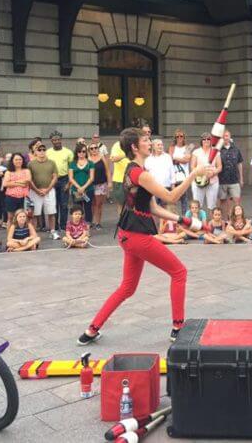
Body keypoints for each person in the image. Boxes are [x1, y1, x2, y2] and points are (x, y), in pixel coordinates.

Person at [77, 127, 211, 345]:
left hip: (128, 235)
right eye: (146, 140)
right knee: (179, 272)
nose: (150, 143)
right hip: (138, 237)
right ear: (134, 147)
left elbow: (153, 208)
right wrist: (194, 174)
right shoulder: (142, 174)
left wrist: (184, 221)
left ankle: (90, 331)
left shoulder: (135, 169)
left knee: (127, 287)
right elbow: (171, 196)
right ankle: (178, 327)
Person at [28, 143, 59, 238]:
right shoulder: (30, 164)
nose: (42, 152)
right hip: (34, 192)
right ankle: (34, 234)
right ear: (35, 152)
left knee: (51, 212)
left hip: (49, 191)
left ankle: (52, 231)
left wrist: (47, 189)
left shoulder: (52, 162)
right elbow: (29, 179)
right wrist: (37, 190)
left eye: (43, 150)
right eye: (39, 150)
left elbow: (55, 177)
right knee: (35, 214)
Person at [48, 131, 75, 234]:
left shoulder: (68, 152)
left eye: (58, 139)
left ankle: (63, 226)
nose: (57, 141)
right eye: (54, 140)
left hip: (64, 179)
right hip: (52, 180)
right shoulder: (48, 153)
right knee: (53, 204)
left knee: (64, 204)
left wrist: (69, 183)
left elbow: (71, 168)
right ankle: (54, 226)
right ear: (51, 141)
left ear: (61, 140)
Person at [191, 133, 222, 212]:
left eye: (208, 139)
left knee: (212, 206)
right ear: (201, 141)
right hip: (199, 181)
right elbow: (192, 167)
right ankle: (198, 223)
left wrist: (213, 173)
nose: (206, 141)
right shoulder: (196, 152)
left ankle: (211, 223)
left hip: (212, 181)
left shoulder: (215, 152)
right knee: (197, 205)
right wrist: (201, 174)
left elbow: (219, 167)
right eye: (204, 139)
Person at [218, 130, 243, 215]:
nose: (225, 138)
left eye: (227, 136)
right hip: (221, 180)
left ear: (229, 137)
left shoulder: (236, 149)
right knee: (223, 201)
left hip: (234, 179)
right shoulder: (218, 150)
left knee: (236, 200)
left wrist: (241, 178)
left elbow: (239, 163)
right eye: (223, 136)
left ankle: (235, 219)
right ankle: (225, 219)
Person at [69, 143, 95, 224]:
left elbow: (91, 178)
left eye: (83, 151)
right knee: (77, 209)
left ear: (86, 152)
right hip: (76, 190)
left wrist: (83, 187)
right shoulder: (72, 163)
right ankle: (78, 227)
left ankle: (87, 229)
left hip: (88, 190)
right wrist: (79, 188)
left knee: (88, 208)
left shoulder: (90, 163)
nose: (81, 153)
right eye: (79, 151)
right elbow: (71, 178)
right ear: (76, 152)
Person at [88, 142, 111, 230]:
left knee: (99, 204)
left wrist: (109, 182)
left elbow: (107, 170)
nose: (94, 150)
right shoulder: (87, 159)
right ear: (89, 150)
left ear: (98, 149)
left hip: (101, 184)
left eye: (95, 148)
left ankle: (98, 222)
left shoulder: (102, 158)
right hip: (90, 185)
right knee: (91, 204)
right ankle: (91, 221)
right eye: (92, 148)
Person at [2, 153, 31, 224]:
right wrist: (20, 182)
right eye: (16, 159)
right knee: (11, 218)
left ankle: (23, 234)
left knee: (24, 217)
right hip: (11, 198)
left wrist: (12, 182)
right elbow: (5, 184)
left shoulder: (27, 171)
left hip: (24, 198)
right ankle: (10, 234)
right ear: (12, 161)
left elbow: (27, 182)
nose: (18, 161)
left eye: (20, 159)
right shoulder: (8, 172)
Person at [168, 128, 191, 215]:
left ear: (184, 137)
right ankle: (174, 218)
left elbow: (187, 160)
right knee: (174, 198)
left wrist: (176, 158)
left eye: (181, 136)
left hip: (184, 177)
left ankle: (184, 218)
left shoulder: (187, 147)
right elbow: (170, 159)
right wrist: (181, 159)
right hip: (174, 177)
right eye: (177, 136)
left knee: (184, 199)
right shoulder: (172, 147)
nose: (179, 138)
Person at [145, 137, 173, 204]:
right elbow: (146, 173)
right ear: (153, 147)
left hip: (166, 188)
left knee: (166, 209)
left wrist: (173, 187)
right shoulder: (148, 158)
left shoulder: (167, 157)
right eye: (158, 145)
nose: (161, 146)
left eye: (162, 145)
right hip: (153, 188)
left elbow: (172, 172)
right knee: (154, 209)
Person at [110, 135, 130, 215]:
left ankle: (130, 224)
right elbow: (113, 159)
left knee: (133, 204)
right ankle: (121, 224)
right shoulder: (117, 145)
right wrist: (126, 154)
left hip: (133, 179)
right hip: (120, 179)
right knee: (121, 204)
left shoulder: (134, 145)